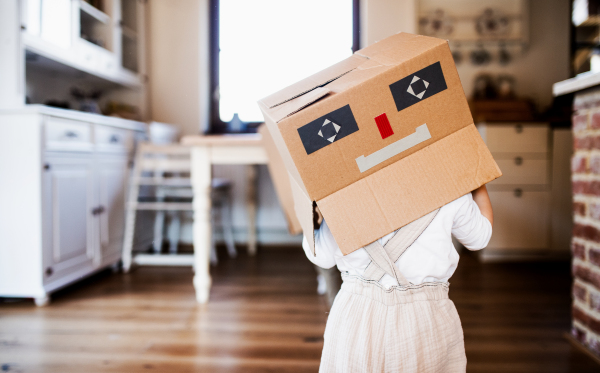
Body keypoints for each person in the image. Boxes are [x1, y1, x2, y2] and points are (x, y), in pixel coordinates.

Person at [303, 185, 494, 373]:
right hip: (425, 319)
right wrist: (477, 181)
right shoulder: (451, 184)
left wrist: (307, 216)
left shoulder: (342, 188)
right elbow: (479, 238)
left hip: (356, 315)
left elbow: (322, 256)